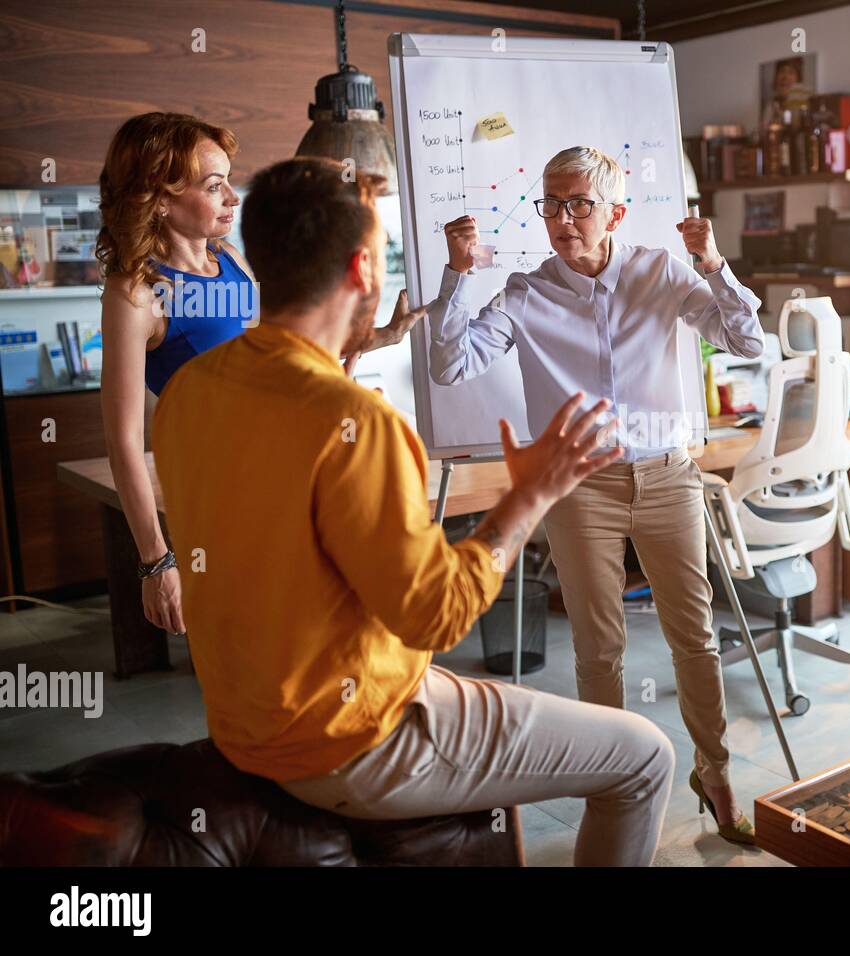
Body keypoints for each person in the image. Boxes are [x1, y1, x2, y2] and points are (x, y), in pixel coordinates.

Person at [151, 157, 675, 866]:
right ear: (363, 270)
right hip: (354, 740)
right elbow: (438, 616)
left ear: (259, 262)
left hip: (243, 720)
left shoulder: (191, 391)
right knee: (644, 754)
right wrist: (529, 496)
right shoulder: (354, 420)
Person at [427, 146, 764, 844]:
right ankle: (611, 785)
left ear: (615, 212)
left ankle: (716, 770)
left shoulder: (658, 271)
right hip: (582, 486)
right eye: (551, 204)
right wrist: (458, 275)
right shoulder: (526, 292)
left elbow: (746, 340)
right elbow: (451, 361)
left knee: (694, 638)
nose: (562, 219)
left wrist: (712, 265)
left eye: (579, 204)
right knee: (598, 648)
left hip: (668, 473)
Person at [96, 112, 422, 637]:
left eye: (229, 180)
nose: (232, 197)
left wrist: (375, 337)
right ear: (158, 198)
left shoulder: (229, 260)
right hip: (226, 496)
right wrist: (157, 561)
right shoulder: (135, 293)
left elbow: (284, 357)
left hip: (295, 468)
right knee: (259, 647)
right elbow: (123, 442)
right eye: (213, 185)